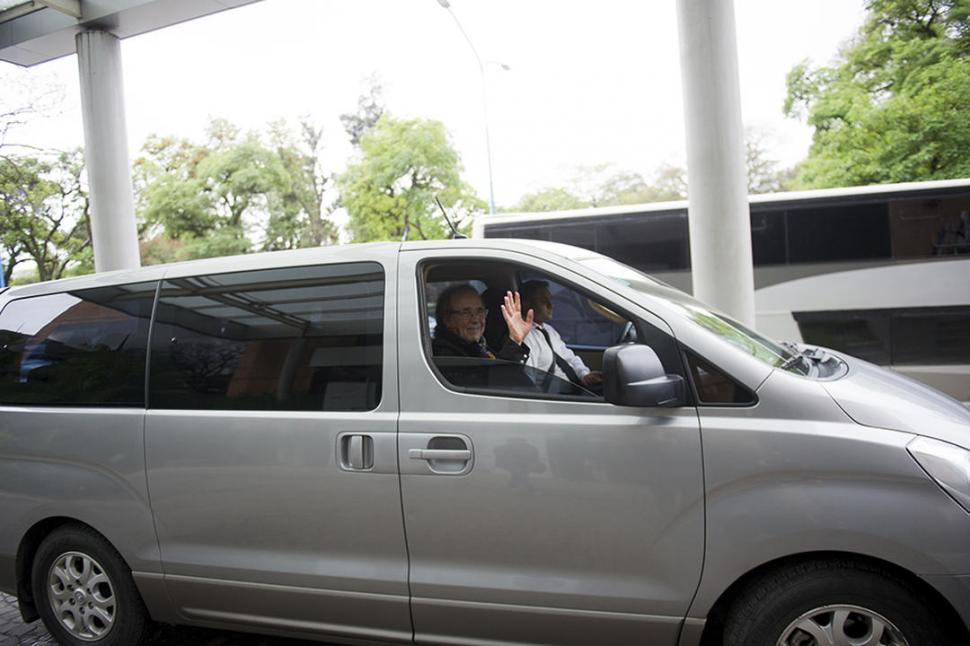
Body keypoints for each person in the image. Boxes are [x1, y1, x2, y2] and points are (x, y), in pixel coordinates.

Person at [519, 280, 602, 388]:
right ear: (526, 304)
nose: (550, 305)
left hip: (575, 388)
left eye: (550, 300)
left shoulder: (549, 330)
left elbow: (568, 357)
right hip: (554, 395)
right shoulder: (526, 337)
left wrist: (584, 375)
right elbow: (528, 382)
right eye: (543, 301)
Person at [432, 284, 533, 362]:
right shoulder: (447, 356)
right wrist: (514, 342)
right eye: (466, 313)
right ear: (447, 320)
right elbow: (495, 381)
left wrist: (515, 340)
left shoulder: (477, 346)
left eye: (480, 311)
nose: (475, 319)